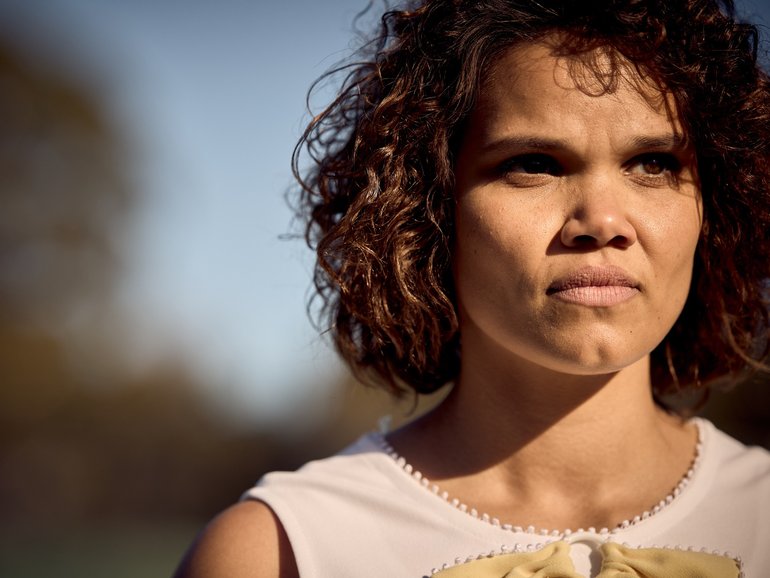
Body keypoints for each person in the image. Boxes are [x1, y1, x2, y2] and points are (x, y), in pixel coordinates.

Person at [174, 0, 770, 576]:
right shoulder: (276, 555)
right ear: (427, 209)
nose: (604, 221)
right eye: (534, 164)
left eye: (655, 163)